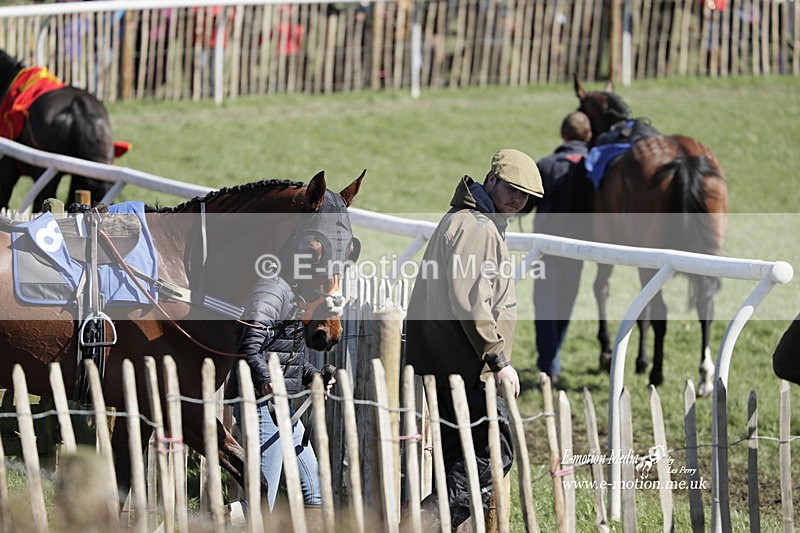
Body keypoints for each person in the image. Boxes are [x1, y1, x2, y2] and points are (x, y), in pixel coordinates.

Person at [406, 148, 543, 528]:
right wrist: (497, 360)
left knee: (457, 457)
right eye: (512, 190)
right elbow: (473, 304)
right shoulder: (477, 227)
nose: (518, 200)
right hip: (467, 367)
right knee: (494, 451)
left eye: (526, 196)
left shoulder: (470, 220)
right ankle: (420, 524)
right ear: (491, 180)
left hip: (450, 363)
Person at [228, 270, 336, 511]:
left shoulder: (295, 298)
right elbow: (249, 347)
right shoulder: (271, 293)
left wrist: (314, 378)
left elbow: (287, 356)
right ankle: (215, 523)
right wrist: (266, 379)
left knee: (316, 494)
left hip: (284, 409)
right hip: (261, 406)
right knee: (264, 500)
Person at [531, 111, 593, 383]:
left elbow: (527, 204)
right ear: (588, 135)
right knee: (566, 303)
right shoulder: (595, 167)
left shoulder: (546, 165)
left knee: (545, 305)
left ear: (563, 134)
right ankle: (552, 360)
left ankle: (549, 365)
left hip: (546, 247)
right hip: (578, 249)